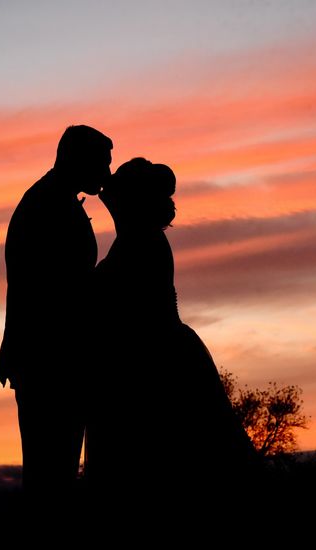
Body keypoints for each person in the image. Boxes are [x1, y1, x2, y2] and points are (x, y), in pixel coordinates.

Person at [85, 157, 257, 497]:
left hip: (151, 362)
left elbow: (116, 304)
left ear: (131, 200)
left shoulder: (141, 243)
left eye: (118, 186)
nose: (108, 189)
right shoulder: (136, 239)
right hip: (156, 354)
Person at [0, 125, 113, 494]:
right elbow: (55, 291)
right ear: (79, 160)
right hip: (50, 363)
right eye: (102, 164)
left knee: (53, 475)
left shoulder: (52, 201)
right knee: (50, 478)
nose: (107, 175)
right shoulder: (47, 206)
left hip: (50, 362)